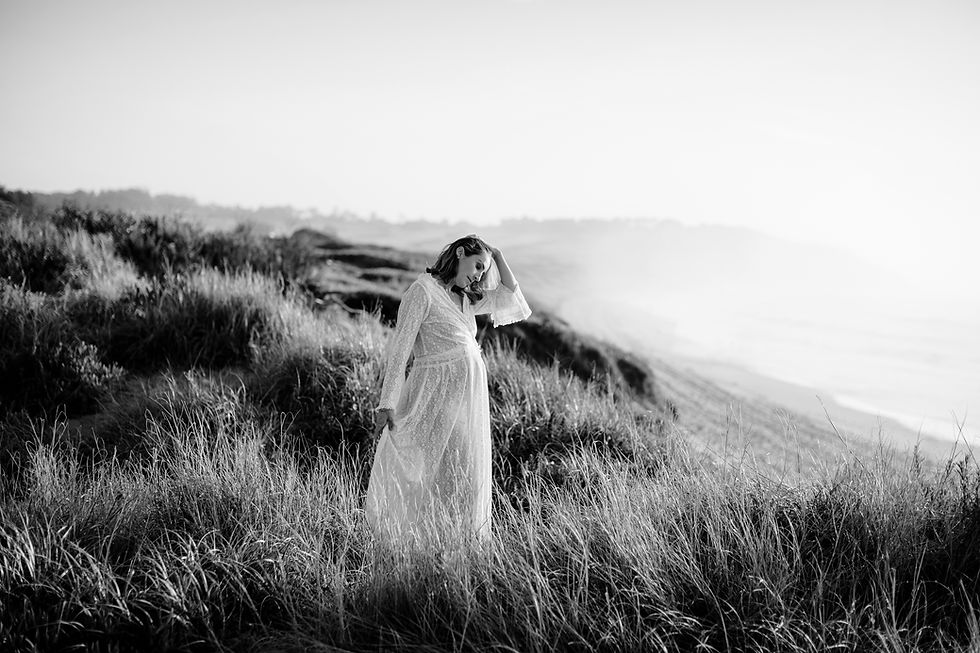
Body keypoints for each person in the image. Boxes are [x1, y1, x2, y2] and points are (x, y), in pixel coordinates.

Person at [364, 235, 532, 544]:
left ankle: (452, 543)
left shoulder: (467, 298)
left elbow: (510, 297)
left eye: (485, 270)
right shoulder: (422, 292)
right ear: (459, 253)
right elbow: (400, 350)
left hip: (465, 404)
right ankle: (407, 543)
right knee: (424, 472)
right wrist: (387, 402)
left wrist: (496, 254)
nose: (480, 274)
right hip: (432, 395)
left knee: (460, 474)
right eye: (477, 265)